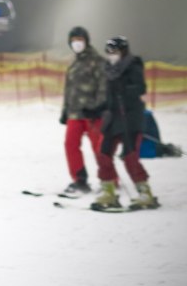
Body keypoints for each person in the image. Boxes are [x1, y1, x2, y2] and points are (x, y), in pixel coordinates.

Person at [92, 37, 160, 212]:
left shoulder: (133, 66)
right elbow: (109, 97)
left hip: (130, 118)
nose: (112, 55)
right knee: (103, 153)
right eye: (109, 52)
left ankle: (145, 192)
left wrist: (126, 90)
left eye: (115, 51)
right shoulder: (108, 70)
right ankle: (108, 190)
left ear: (123, 51)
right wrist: (96, 109)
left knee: (129, 156)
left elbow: (140, 88)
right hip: (113, 118)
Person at [59, 26, 107, 197]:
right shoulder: (74, 64)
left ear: (86, 41)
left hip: (92, 114)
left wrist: (99, 107)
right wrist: (65, 110)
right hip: (75, 114)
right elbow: (69, 89)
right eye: (73, 41)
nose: (76, 43)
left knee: (99, 148)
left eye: (79, 40)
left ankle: (109, 180)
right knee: (70, 145)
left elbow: (104, 87)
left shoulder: (98, 61)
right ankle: (79, 179)